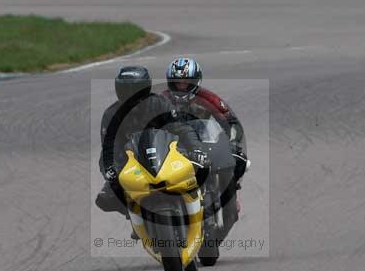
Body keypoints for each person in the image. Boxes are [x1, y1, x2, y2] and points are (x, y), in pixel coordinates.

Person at [95, 66, 208, 216]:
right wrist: (110, 172)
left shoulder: (159, 103)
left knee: (203, 166)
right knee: (106, 197)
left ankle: (201, 206)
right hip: (132, 162)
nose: (130, 95)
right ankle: (131, 212)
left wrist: (197, 149)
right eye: (126, 89)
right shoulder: (111, 114)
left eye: (136, 89)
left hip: (167, 155)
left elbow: (181, 128)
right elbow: (109, 147)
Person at [163, 57, 249, 243]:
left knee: (236, 163)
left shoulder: (209, 99)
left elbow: (231, 122)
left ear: (196, 82)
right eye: (177, 83)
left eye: (186, 83)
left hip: (206, 145)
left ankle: (231, 196)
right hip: (175, 150)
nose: (182, 87)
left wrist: (232, 142)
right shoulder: (161, 99)